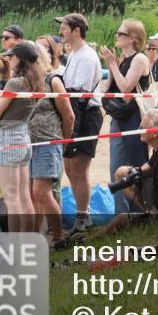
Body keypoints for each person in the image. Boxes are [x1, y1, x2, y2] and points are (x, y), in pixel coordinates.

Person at [56, 13, 104, 234]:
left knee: (79, 168)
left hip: (86, 113)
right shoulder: (75, 54)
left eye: (64, 28)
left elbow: (80, 94)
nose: (60, 32)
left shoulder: (86, 56)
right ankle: (84, 215)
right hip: (75, 112)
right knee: (70, 166)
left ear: (76, 30)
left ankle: (83, 219)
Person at [99, 19, 151, 213]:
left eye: (120, 34)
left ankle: (141, 209)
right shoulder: (123, 59)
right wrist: (111, 64)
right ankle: (122, 212)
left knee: (136, 162)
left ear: (133, 38)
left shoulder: (140, 59)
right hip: (120, 117)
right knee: (116, 165)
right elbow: (111, 88)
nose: (116, 36)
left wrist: (112, 63)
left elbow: (127, 90)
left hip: (135, 118)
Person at [26, 45, 75, 247]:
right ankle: (37, 236)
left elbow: (69, 116)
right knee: (32, 195)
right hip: (28, 145)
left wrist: (62, 142)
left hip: (49, 141)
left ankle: (58, 236)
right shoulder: (24, 84)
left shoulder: (52, 80)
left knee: (41, 192)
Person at [0, 41, 40, 232]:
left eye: (11, 57)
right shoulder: (34, 81)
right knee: (23, 196)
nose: (9, 61)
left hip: (9, 137)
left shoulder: (15, 82)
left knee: (11, 198)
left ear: (19, 59)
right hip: (23, 135)